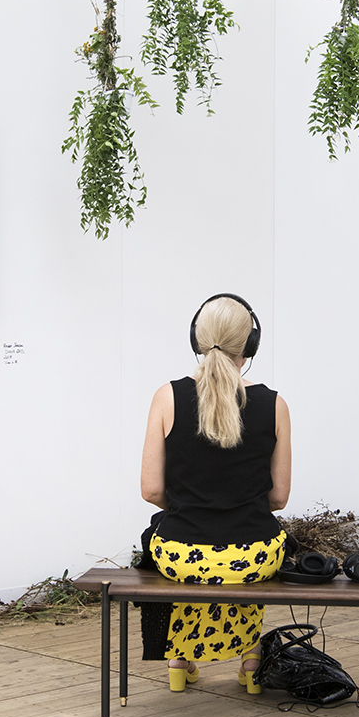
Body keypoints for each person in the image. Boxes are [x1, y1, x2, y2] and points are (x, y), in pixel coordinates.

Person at [140, 294, 292, 693]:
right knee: (244, 555)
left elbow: (151, 489)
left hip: (180, 554)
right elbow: (279, 499)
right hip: (253, 557)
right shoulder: (275, 404)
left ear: (197, 340)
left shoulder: (166, 397)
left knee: (184, 551)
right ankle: (251, 659)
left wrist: (186, 507)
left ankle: (179, 657)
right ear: (251, 345)